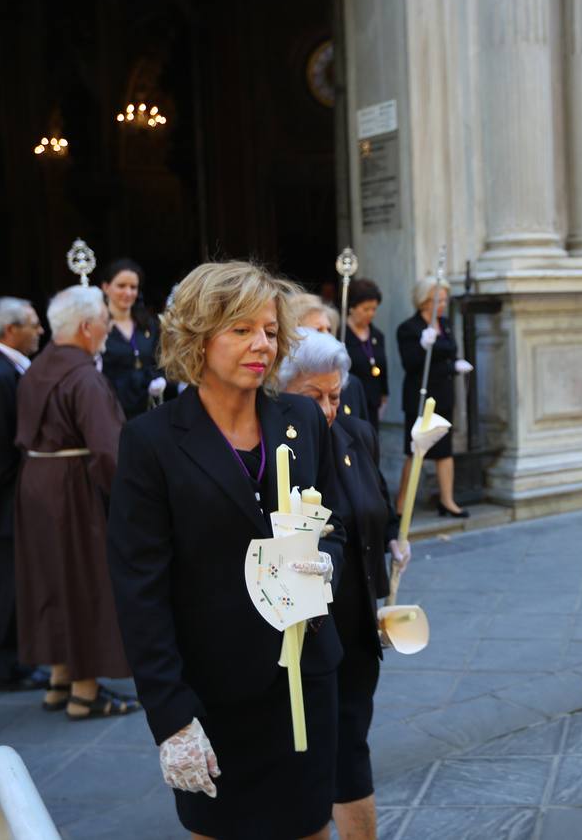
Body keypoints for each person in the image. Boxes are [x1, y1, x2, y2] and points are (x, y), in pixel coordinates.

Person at [107, 262, 344, 840]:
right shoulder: (152, 442)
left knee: (312, 827)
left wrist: (327, 568)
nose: (261, 344)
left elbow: (327, 524)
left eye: (268, 330)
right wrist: (170, 717)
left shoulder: (302, 419)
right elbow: (140, 590)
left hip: (304, 678)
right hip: (213, 695)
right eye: (240, 330)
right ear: (197, 336)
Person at [279, 328, 412, 840]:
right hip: (304, 629)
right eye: (314, 396)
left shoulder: (355, 434)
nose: (328, 408)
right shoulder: (275, 446)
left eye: (335, 395)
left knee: (352, 742)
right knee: (309, 755)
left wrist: (391, 547)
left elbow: (374, 506)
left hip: (357, 618)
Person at [13, 285, 138, 719]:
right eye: (103, 318)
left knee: (52, 580)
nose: (107, 325)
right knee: (86, 582)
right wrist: (130, 498)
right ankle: (86, 692)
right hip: (72, 489)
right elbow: (108, 449)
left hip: (37, 483)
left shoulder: (37, 367)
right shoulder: (84, 376)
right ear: (87, 327)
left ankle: (60, 677)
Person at [0, 297, 48, 692]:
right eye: (33, 324)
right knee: (7, 579)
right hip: (6, 499)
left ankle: (17, 657)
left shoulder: (7, 368)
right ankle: (7, 664)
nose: (39, 331)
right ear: (10, 330)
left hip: (13, 495)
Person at [395, 276, 473, 518]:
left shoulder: (445, 324)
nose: (442, 304)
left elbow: (451, 351)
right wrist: (423, 346)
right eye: (438, 300)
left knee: (445, 451)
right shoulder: (409, 328)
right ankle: (400, 506)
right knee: (415, 450)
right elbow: (411, 364)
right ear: (424, 301)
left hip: (443, 394)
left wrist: (454, 364)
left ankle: (447, 500)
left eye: (444, 300)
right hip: (421, 397)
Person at [292, 292, 373, 424]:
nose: (327, 337)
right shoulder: (282, 385)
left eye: (328, 330)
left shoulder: (352, 385)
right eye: (318, 331)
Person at [100, 258, 166, 417]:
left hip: (147, 409)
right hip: (111, 409)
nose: (128, 293)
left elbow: (159, 360)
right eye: (121, 286)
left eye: (133, 287)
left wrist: (160, 379)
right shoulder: (98, 325)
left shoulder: (148, 324)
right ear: (106, 287)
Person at [344, 279, 390, 431]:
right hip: (350, 400)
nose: (371, 314)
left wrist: (384, 394)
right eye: (366, 309)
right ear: (352, 307)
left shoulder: (377, 335)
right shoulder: (341, 335)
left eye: (374, 309)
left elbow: (383, 367)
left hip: (372, 401)